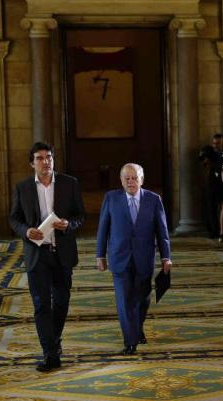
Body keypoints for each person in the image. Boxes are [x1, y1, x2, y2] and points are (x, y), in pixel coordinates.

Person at [9, 142, 86, 372]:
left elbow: (80, 215)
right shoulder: (22, 187)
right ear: (32, 163)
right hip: (37, 254)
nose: (46, 162)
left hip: (62, 253)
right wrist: (26, 231)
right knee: (41, 304)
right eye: (40, 158)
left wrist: (68, 224)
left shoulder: (69, 183)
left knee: (61, 301)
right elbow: (14, 219)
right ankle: (50, 354)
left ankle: (54, 339)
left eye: (49, 157)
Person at [96, 163, 171, 355]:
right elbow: (103, 229)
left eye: (134, 178)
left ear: (142, 180)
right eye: (127, 178)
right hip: (119, 258)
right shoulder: (111, 198)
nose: (131, 182)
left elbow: (162, 231)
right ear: (121, 180)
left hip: (144, 258)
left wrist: (166, 257)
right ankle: (130, 341)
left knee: (142, 299)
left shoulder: (154, 200)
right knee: (124, 301)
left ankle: (137, 329)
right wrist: (100, 255)